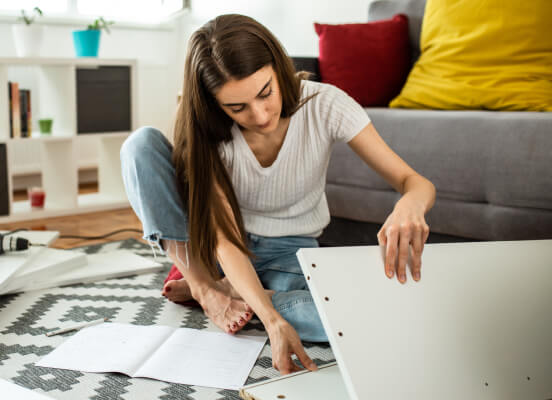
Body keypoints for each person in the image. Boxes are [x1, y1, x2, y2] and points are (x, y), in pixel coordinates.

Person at [120, 14, 436, 375]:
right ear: (214, 103)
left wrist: (409, 204)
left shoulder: (326, 105)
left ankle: (224, 290)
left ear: (279, 66)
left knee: (349, 318)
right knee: (140, 144)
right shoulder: (209, 130)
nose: (259, 114)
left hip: (288, 253)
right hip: (219, 249)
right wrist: (271, 319)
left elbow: (415, 181)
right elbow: (226, 239)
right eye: (236, 107)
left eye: (265, 92)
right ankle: (206, 287)